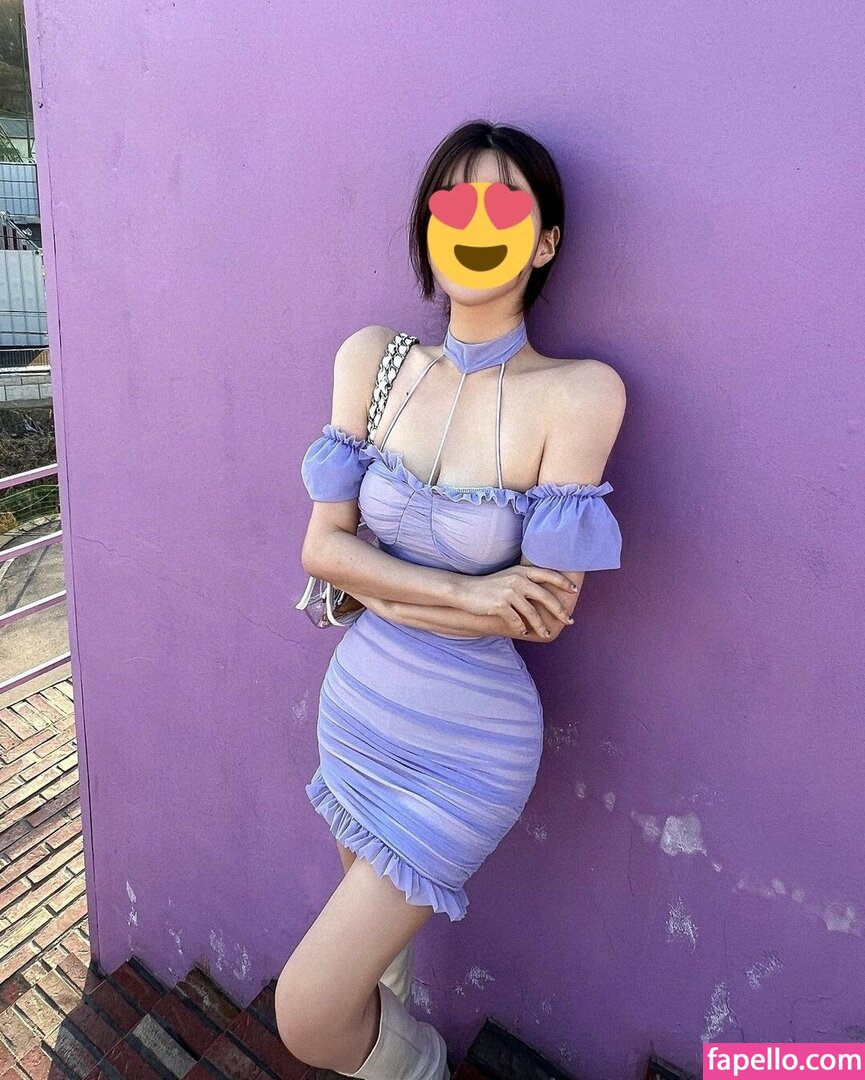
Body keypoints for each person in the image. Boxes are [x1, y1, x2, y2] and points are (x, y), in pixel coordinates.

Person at [276, 119, 626, 1079]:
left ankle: (423, 1063)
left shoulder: (580, 394)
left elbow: (539, 614)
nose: (476, 224)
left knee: (308, 1015)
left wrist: (381, 581)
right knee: (373, 980)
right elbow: (319, 548)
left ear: (544, 242)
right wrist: (467, 593)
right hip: (356, 716)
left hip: (466, 749)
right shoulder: (372, 360)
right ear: (427, 228)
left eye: (505, 205)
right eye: (453, 203)